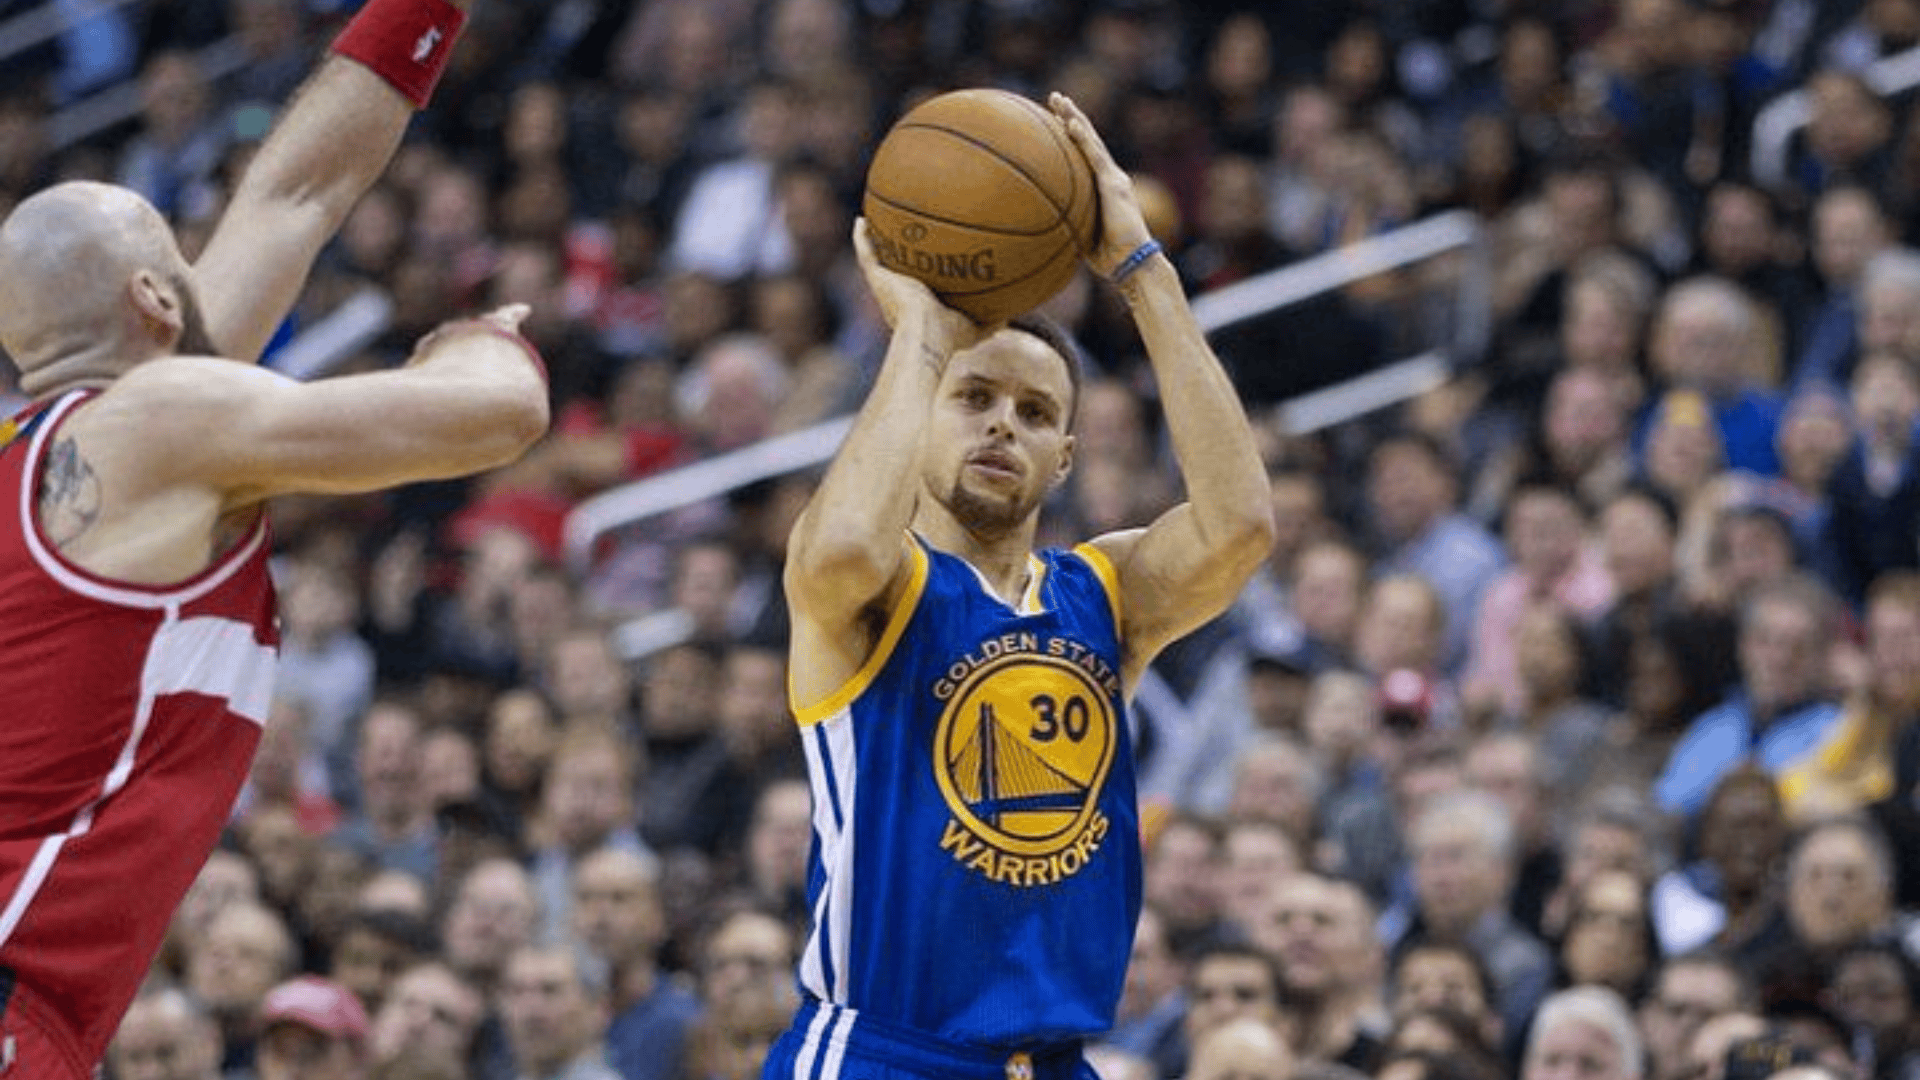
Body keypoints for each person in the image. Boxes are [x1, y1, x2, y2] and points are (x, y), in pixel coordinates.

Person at [0, 0, 548, 1067]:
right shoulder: (156, 427)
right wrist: (479, 340)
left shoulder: (70, 446)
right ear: (157, 297)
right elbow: (496, 417)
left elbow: (296, 194)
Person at [762, 92, 1275, 1080]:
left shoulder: (1103, 595)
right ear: (922, 416)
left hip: (1054, 1060)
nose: (1004, 424)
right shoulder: (878, 585)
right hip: (880, 1050)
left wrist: (1141, 268)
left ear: (1068, 455)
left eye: (1036, 412)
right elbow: (834, 556)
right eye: (975, 397)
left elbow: (1240, 528)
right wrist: (918, 333)